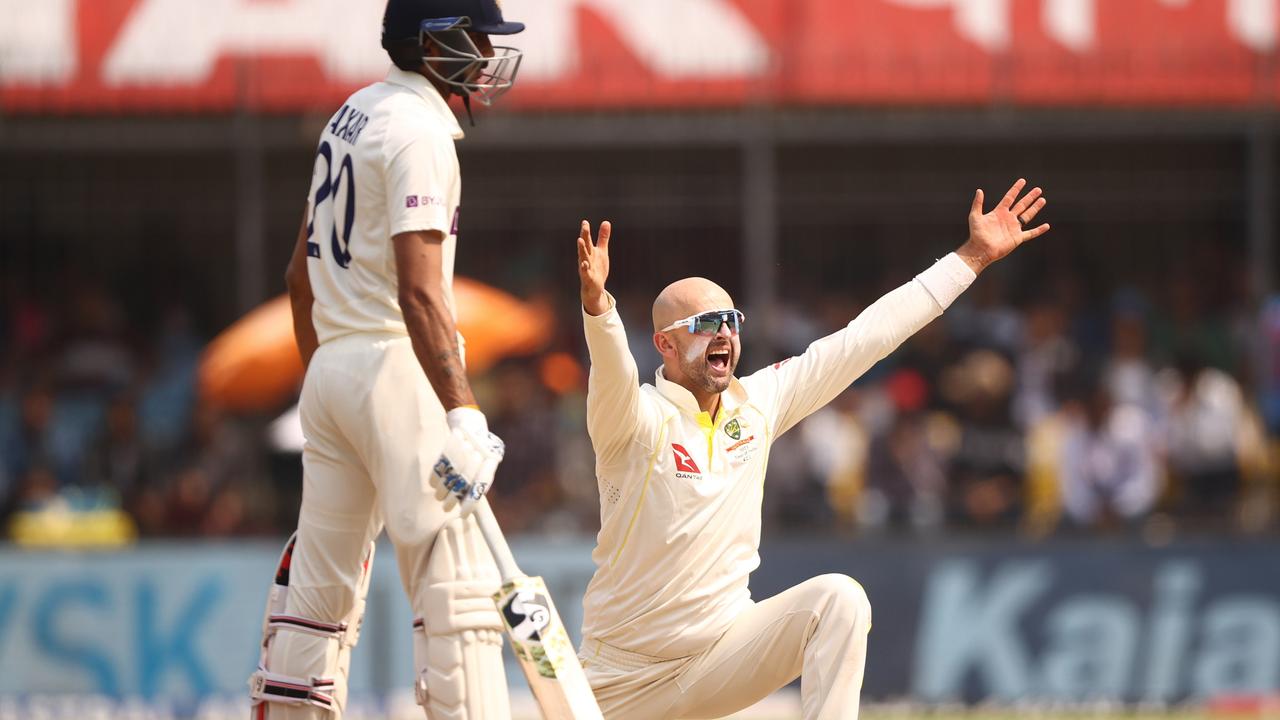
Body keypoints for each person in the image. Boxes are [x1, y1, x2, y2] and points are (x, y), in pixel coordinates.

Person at [574, 179, 1050, 719]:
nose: (724, 334)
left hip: (718, 658)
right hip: (620, 682)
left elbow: (866, 337)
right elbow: (611, 374)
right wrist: (599, 309)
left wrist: (971, 258)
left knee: (838, 599)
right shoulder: (633, 419)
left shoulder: (757, 403)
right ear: (665, 344)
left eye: (731, 321)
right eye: (706, 325)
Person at [248, 1, 525, 717]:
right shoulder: (420, 130)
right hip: (393, 368)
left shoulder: (350, 115)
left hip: (333, 368)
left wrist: (321, 381)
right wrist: (463, 411)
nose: (489, 55)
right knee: (456, 583)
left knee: (317, 600)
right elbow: (419, 292)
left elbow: (296, 276)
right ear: (435, 45)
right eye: (476, 38)